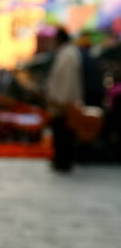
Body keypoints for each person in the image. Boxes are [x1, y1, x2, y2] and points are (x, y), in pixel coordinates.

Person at [46, 28, 83, 172]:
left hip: (63, 103)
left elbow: (66, 81)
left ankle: (63, 162)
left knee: (64, 134)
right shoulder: (67, 53)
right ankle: (61, 160)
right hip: (62, 102)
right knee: (61, 134)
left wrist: (60, 100)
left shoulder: (68, 55)